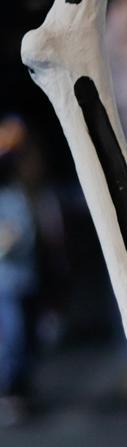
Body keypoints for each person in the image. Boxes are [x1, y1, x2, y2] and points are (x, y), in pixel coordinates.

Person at [0, 117, 37, 426]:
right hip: (8, 285)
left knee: (16, 337)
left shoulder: (15, 197)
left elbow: (17, 235)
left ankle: (15, 391)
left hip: (15, 284)